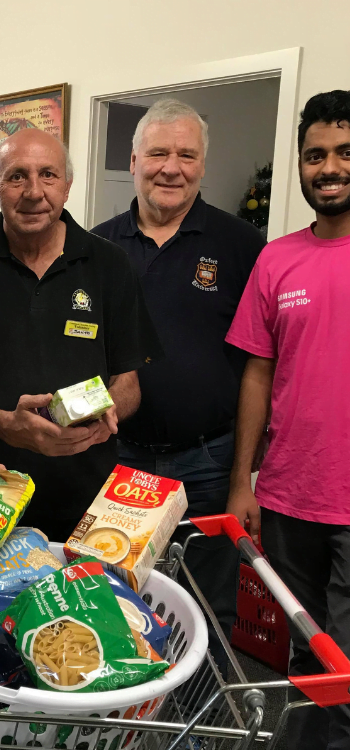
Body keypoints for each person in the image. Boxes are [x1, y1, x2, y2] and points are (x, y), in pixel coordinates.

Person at [91, 99, 265, 674]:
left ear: (203, 165)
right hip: (118, 461)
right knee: (113, 597)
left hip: (210, 464)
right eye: (159, 153)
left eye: (186, 154)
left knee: (208, 605)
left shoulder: (243, 247)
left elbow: (258, 369)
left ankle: (201, 721)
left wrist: (243, 477)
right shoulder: (96, 247)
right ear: (134, 159)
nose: (172, 167)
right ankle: (125, 713)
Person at [0, 128, 160, 541]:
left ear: (67, 186)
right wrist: (6, 425)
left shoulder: (110, 265)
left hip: (88, 502)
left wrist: (105, 418)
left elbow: (128, 383)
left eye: (48, 175)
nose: (34, 192)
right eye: (16, 176)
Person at [226, 89, 350, 749]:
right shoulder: (278, 260)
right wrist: (244, 479)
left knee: (347, 670)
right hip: (292, 495)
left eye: (343, 152)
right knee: (303, 659)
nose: (328, 167)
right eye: (315, 155)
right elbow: (257, 373)